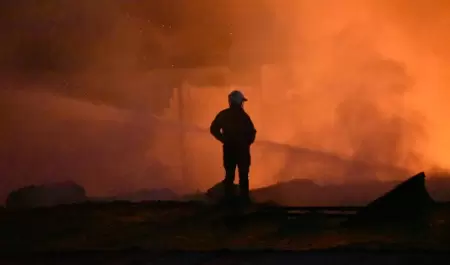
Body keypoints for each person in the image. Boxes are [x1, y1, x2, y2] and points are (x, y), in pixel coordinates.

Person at [210, 90, 257, 204]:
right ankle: (244, 201)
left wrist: (224, 139)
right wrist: (246, 143)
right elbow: (252, 133)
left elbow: (214, 129)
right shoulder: (244, 117)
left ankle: (228, 200)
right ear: (239, 102)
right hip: (242, 152)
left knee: (230, 175)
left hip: (229, 151)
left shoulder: (224, 115)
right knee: (244, 176)